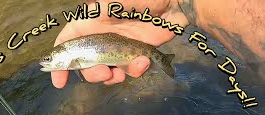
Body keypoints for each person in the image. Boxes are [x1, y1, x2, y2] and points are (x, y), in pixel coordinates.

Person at [51, 0, 265, 89]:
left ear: (63, 55)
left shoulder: (74, 53)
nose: (47, 63)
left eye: (49, 59)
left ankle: (161, 60)